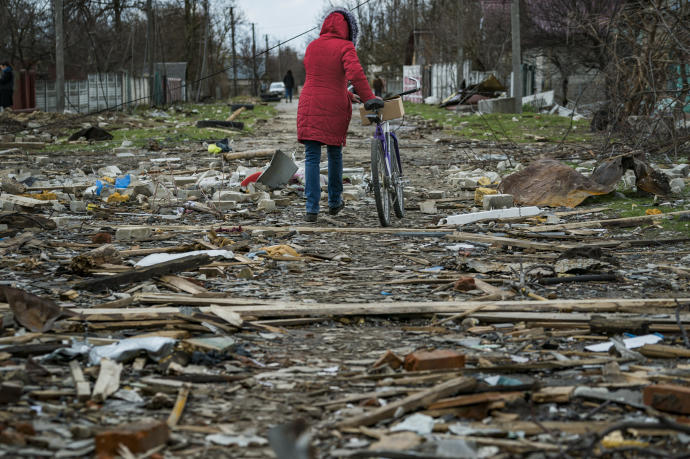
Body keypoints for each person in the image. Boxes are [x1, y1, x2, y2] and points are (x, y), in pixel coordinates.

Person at [297, 7, 380, 222]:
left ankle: (311, 209)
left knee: (312, 157)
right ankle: (334, 202)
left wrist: (346, 93)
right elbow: (355, 73)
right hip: (333, 106)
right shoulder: (346, 46)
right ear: (349, 29)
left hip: (308, 103)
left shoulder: (312, 46)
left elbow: (322, 78)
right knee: (334, 154)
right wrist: (368, 97)